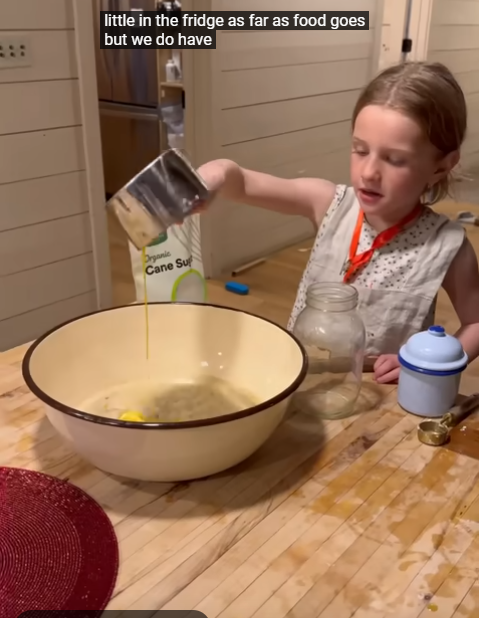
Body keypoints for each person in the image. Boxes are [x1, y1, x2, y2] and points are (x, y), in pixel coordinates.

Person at [195, 61, 479, 384]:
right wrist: (218, 173)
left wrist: (426, 365)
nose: (369, 172)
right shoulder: (329, 203)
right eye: (360, 150)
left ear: (441, 166)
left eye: (395, 159)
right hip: (302, 378)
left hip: (380, 394)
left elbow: (476, 324)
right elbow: (243, 183)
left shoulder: (447, 247)